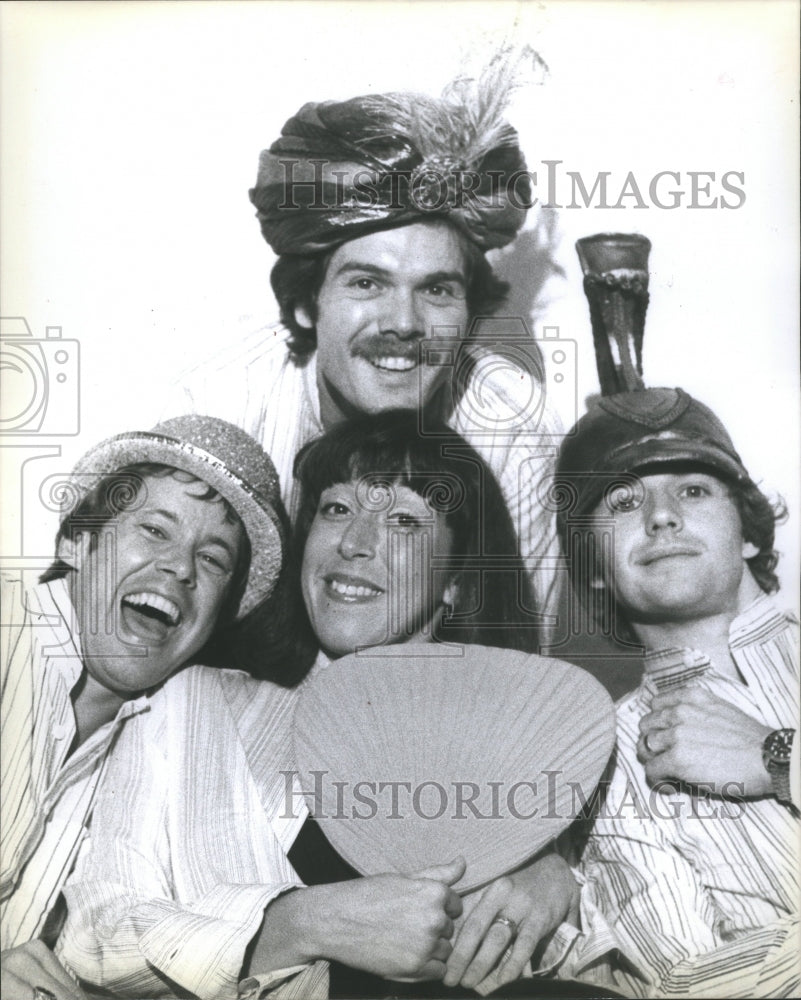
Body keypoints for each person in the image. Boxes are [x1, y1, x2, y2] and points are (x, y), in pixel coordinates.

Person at [58, 413, 606, 1000]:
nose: (354, 544)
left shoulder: (526, 749)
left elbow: (602, 957)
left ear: (457, 582)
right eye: (336, 509)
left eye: (402, 521)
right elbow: (95, 927)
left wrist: (552, 879)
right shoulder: (193, 704)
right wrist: (299, 924)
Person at [166, 53, 564, 621]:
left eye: (437, 290)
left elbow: (518, 661)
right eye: (367, 282)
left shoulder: (515, 430)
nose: (403, 323)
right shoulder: (222, 408)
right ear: (306, 304)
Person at [1, 414, 299, 1000]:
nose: (181, 568)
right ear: (77, 541)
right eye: (156, 531)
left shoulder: (160, 736)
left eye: (213, 559)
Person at [547, 387, 800, 998]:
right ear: (597, 570)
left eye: (693, 489)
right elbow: (691, 986)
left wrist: (779, 758)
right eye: (624, 501)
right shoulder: (601, 762)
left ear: (747, 530)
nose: (661, 515)